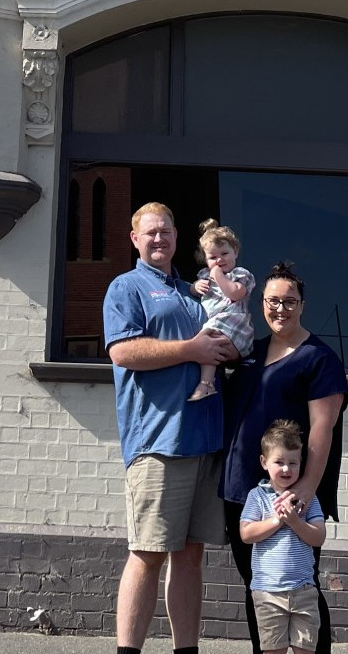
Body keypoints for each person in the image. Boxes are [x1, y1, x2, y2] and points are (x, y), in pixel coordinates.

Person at [104, 203, 241, 654]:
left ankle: (187, 650)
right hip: (159, 441)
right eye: (150, 233)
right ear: (135, 240)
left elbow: (220, 344)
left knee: (192, 554)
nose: (158, 239)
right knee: (148, 553)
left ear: (177, 237)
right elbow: (123, 353)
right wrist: (192, 348)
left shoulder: (192, 292)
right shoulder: (127, 287)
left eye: (165, 231)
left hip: (205, 441)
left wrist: (226, 348)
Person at [220, 262, 348, 654]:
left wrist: (305, 491)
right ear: (262, 303)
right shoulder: (250, 352)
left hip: (292, 494)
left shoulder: (318, 358)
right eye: (273, 301)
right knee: (258, 585)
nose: (281, 309)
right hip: (243, 492)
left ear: (302, 305)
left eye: (289, 301)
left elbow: (322, 430)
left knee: (299, 585)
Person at [238, 420, 328, 654]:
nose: (287, 469)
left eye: (293, 463)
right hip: (268, 593)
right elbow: (246, 534)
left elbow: (318, 537)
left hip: (304, 591)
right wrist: (278, 520)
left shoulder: (307, 498)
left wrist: (295, 522)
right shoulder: (257, 496)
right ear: (264, 462)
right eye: (279, 462)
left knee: (306, 650)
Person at [189, 220, 256, 401]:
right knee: (205, 343)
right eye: (212, 257)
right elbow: (192, 291)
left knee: (208, 342)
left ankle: (206, 384)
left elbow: (235, 293)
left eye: (224, 253)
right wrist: (196, 287)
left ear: (236, 251)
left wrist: (218, 276)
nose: (219, 260)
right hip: (216, 324)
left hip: (233, 323)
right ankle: (208, 383)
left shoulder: (241, 274)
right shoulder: (204, 275)